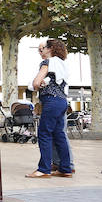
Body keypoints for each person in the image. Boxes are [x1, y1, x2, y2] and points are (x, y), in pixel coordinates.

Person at [26, 38, 73, 178]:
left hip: (51, 101)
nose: (42, 51)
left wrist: (37, 84)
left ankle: (43, 169)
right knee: (59, 135)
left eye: (43, 48)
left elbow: (35, 83)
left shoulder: (47, 62)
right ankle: (65, 168)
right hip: (62, 101)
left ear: (50, 49)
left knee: (44, 134)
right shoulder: (62, 64)